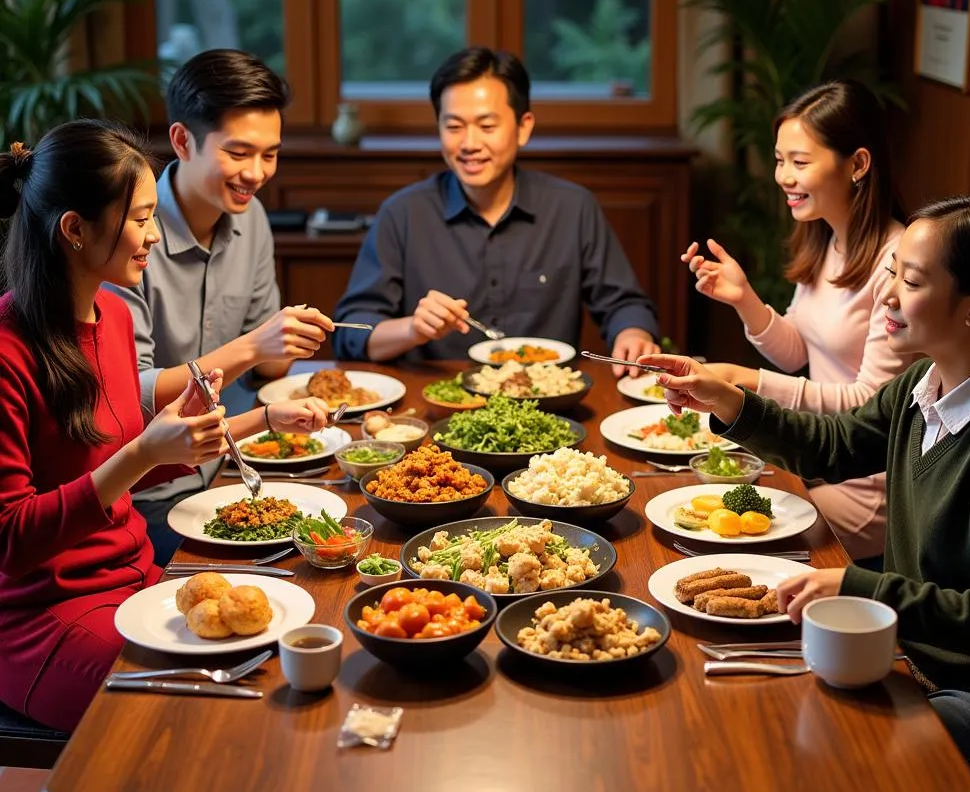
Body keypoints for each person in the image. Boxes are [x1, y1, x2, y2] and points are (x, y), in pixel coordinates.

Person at [644, 194, 970, 792]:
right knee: (776, 744)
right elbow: (839, 443)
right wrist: (727, 400)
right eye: (892, 270)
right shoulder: (922, 384)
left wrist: (860, 585)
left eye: (910, 279)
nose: (887, 291)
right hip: (908, 661)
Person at [0, 121, 329, 731]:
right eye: (139, 219)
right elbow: (12, 540)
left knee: (282, 660)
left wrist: (260, 420)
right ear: (74, 229)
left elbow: (130, 453)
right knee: (201, 724)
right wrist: (143, 455)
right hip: (45, 619)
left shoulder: (113, 319)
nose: (153, 235)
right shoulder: (8, 350)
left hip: (138, 578)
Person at [105, 49, 334, 564]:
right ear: (183, 140)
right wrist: (255, 344)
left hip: (233, 466)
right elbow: (132, 396)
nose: (255, 173)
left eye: (270, 154)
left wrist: (289, 336)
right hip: (144, 494)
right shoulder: (130, 235)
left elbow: (271, 366)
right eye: (238, 152)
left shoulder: (250, 219)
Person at [681, 80, 916, 561]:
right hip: (818, 457)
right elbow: (798, 354)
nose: (783, 176)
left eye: (800, 162)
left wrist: (744, 380)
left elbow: (868, 406)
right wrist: (744, 298)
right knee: (696, 511)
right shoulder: (828, 239)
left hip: (867, 483)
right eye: (779, 159)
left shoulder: (898, 260)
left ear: (858, 164)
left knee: (722, 541)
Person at [332, 46, 660, 370]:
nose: (470, 144)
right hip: (438, 401)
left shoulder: (572, 208)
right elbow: (353, 330)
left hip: (548, 402)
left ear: (524, 127)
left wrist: (633, 333)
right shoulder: (403, 214)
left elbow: (624, 303)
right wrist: (412, 329)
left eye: (487, 126)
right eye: (454, 126)